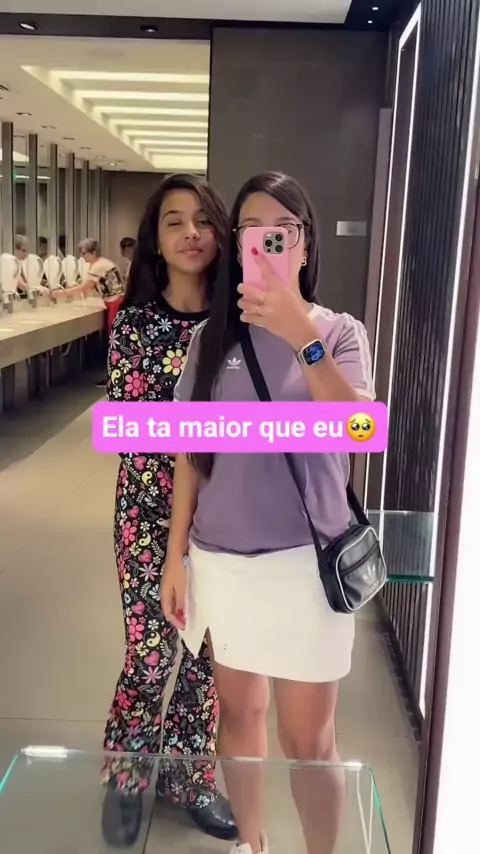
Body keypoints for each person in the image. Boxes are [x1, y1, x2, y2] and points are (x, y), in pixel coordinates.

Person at [161, 172, 375, 854]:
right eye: (253, 230)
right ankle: (250, 845)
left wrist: (299, 334)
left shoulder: (338, 333)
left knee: (308, 740)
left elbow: (357, 430)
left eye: (282, 230)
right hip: (223, 560)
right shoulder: (212, 340)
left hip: (308, 563)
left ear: (304, 245)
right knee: (240, 716)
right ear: (239, 245)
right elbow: (190, 454)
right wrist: (175, 555)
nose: (267, 241)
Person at [102, 174, 236, 848]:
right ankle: (127, 776)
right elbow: (131, 429)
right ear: (155, 239)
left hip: (227, 518)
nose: (191, 234)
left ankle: (189, 778)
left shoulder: (240, 322)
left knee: (207, 655)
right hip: (147, 514)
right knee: (152, 653)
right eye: (174, 221)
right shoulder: (135, 324)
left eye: (203, 221)